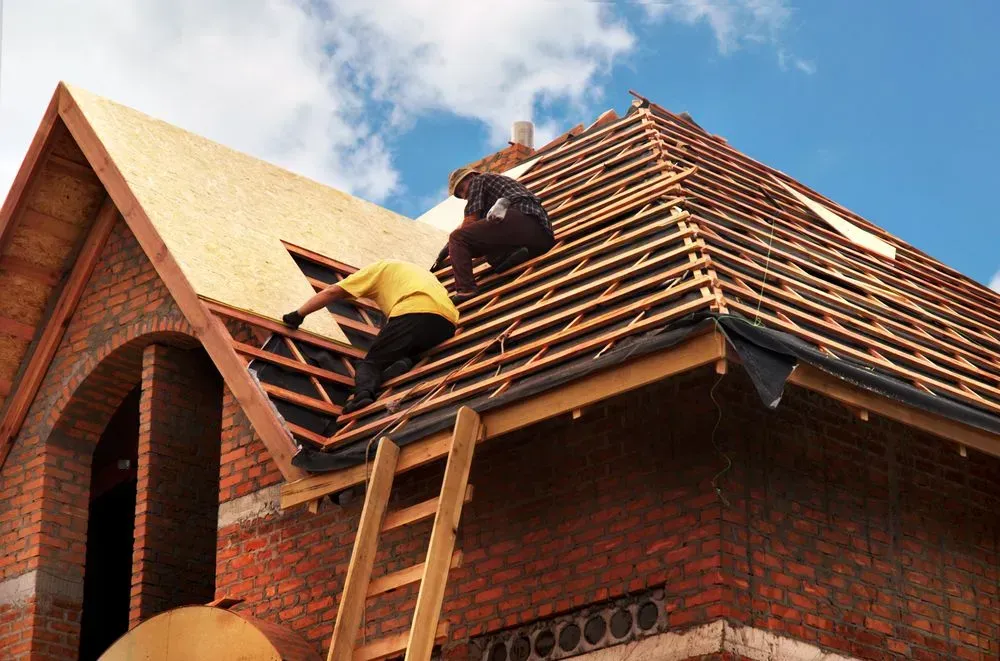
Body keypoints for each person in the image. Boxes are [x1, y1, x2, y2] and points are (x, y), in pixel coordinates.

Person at [281, 259, 459, 414]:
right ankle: (402, 363)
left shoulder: (377, 269)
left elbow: (332, 292)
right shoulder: (412, 275)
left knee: (369, 364)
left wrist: (298, 314)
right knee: (400, 348)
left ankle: (362, 396)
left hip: (414, 311)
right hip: (448, 323)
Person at [436, 167, 555, 304]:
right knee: (490, 255)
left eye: (462, 189)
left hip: (521, 219)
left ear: (471, 176)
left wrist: (451, 245)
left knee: (458, 238)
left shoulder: (479, 180)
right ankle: (516, 253)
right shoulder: (490, 193)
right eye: (460, 194)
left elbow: (470, 221)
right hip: (541, 238)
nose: (464, 195)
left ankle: (466, 289)